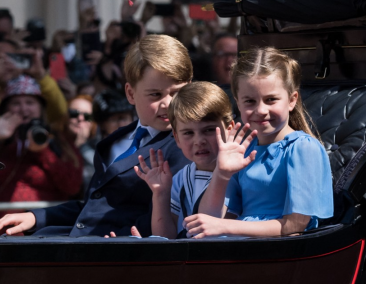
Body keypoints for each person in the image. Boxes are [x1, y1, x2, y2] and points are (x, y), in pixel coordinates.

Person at [0, 34, 193, 237]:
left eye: (177, 92)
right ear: (130, 93)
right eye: (155, 94)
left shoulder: (188, 146)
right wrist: (36, 218)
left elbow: (173, 215)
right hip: (81, 246)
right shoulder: (116, 141)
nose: (168, 103)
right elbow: (95, 209)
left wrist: (128, 236)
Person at [183, 46, 334, 238]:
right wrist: (222, 173)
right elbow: (209, 217)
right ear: (238, 102)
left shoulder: (302, 148)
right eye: (250, 101)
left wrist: (226, 227)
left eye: (271, 99)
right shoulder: (244, 149)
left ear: (291, 100)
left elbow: (295, 225)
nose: (261, 110)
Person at [134, 81, 234, 239]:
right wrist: (160, 193)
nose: (199, 140)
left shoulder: (239, 173)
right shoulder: (181, 178)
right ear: (177, 138)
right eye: (188, 133)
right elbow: (166, 238)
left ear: (229, 129)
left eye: (208, 130)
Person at [0, 75, 83, 219]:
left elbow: (72, 186)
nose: (23, 108)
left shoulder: (59, 141)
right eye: (16, 103)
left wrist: (43, 152)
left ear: (41, 108)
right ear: (6, 108)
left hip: (45, 229)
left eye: (30, 102)